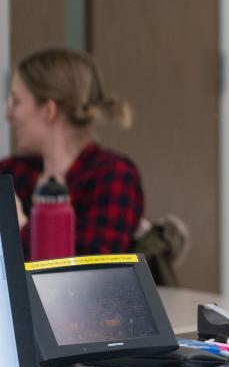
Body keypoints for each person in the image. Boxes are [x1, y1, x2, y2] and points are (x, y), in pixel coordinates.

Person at [2, 47, 144, 256]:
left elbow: (89, 274)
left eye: (16, 102)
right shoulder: (11, 171)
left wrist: (18, 228)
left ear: (48, 110)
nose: (9, 115)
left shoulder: (114, 176)